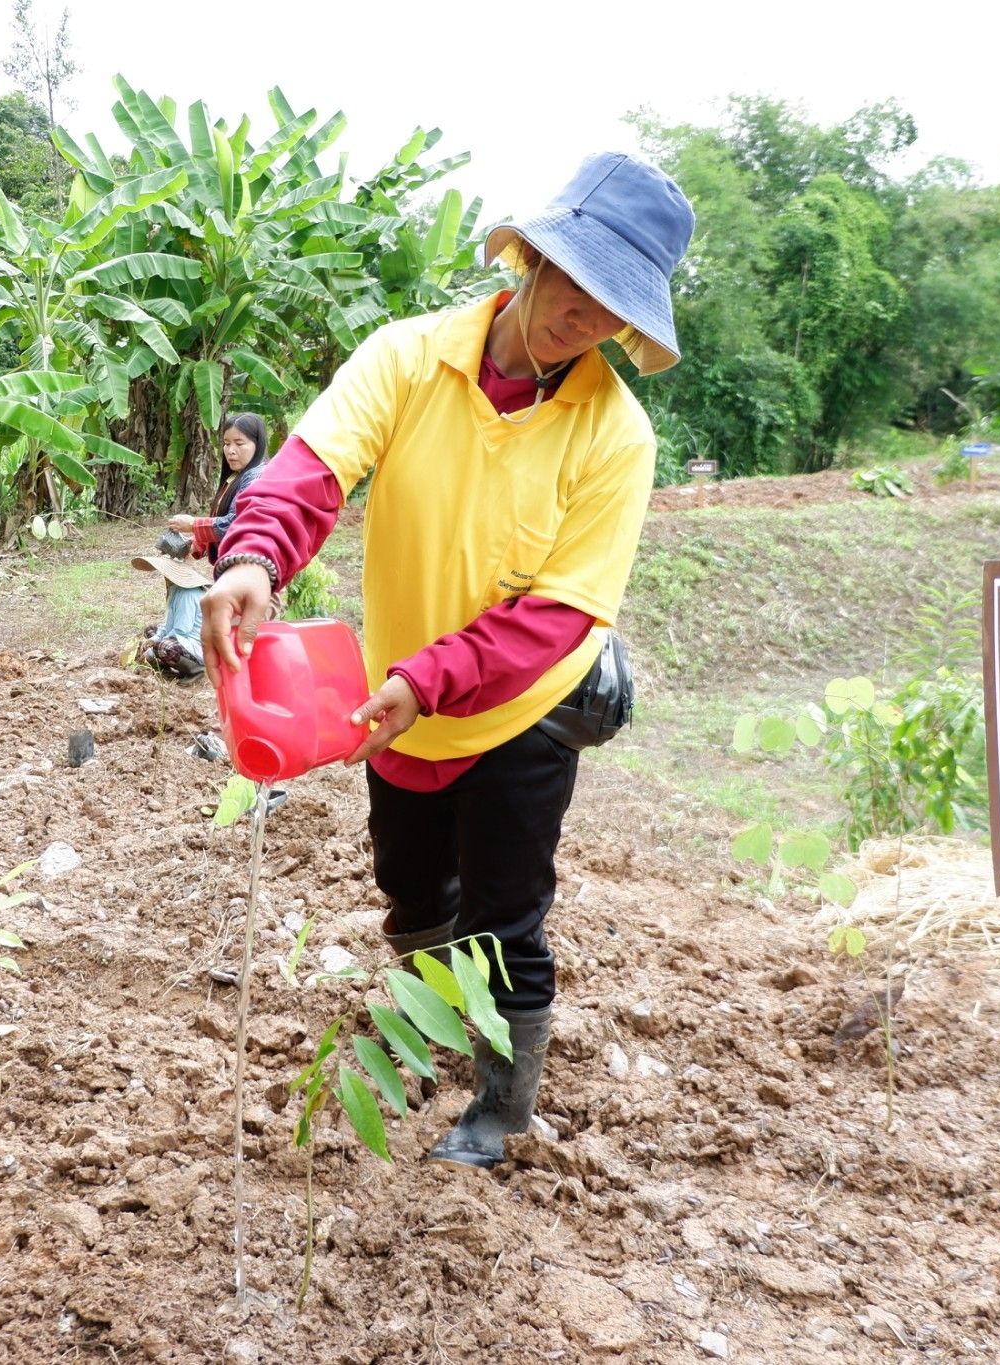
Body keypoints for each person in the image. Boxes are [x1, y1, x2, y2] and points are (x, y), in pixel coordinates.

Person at [202, 154, 695, 1169]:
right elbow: (309, 470)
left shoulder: (616, 436)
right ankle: (427, 1029)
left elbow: (557, 618)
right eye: (577, 280)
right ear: (528, 257)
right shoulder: (408, 357)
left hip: (519, 709)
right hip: (397, 707)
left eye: (614, 304)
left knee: (505, 922)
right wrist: (253, 556)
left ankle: (500, 1110)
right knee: (412, 894)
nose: (586, 315)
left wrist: (424, 679)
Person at [130, 412, 270, 678]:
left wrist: (194, 524)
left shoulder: (256, 477)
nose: (231, 450)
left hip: (250, 565)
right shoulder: (236, 478)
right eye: (226, 443)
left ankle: (217, 661)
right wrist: (196, 542)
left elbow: (235, 523)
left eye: (239, 443)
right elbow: (222, 525)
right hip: (230, 565)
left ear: (258, 443)